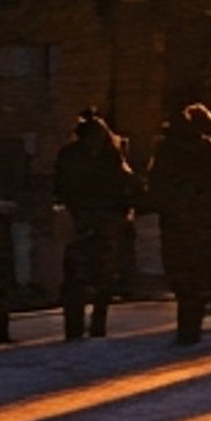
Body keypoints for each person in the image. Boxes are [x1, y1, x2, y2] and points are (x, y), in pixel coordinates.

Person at [148, 103, 211, 344]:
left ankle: (190, 325)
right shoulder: (208, 150)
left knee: (185, 274)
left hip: (178, 222)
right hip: (205, 221)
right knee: (208, 270)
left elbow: (157, 185)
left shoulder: (166, 150)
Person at [50, 112, 134, 339]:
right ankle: (97, 325)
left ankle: (74, 327)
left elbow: (59, 186)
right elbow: (125, 187)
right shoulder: (112, 156)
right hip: (105, 221)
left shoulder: (69, 155)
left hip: (81, 221)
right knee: (103, 277)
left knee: (76, 277)